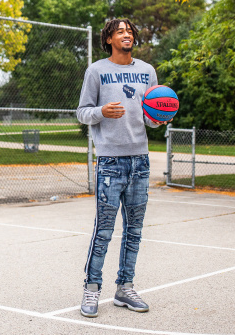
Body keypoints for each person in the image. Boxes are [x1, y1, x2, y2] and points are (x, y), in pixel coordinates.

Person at [76, 18, 169, 318]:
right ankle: (91, 289)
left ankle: (125, 287)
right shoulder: (96, 71)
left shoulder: (147, 71)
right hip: (110, 162)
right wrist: (101, 111)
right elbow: (82, 113)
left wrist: (161, 118)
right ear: (108, 39)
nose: (126, 35)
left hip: (140, 160)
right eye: (120, 31)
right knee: (103, 231)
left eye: (129, 31)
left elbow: (150, 117)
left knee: (135, 231)